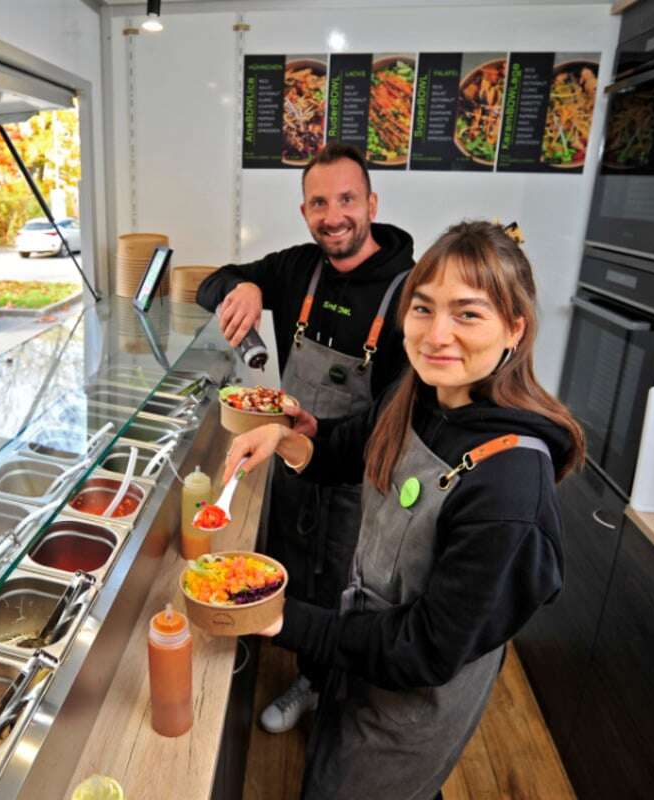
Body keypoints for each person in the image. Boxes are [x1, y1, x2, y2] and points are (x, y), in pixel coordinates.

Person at [223, 221, 585, 799]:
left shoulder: (511, 488)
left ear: (514, 328)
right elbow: (347, 446)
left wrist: (283, 619)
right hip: (358, 658)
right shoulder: (418, 394)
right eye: (423, 309)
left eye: (468, 314)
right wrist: (283, 440)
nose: (437, 334)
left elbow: (426, 648)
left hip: (408, 705)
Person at [196, 143, 414, 733]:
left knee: (342, 583)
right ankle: (298, 662)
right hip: (290, 457)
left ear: (371, 202)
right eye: (319, 202)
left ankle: (324, 688)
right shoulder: (299, 266)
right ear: (304, 212)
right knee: (288, 560)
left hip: (358, 470)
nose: (333, 215)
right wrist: (240, 287)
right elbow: (208, 285)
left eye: (346, 199)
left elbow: (398, 416)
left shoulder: (407, 294)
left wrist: (323, 440)